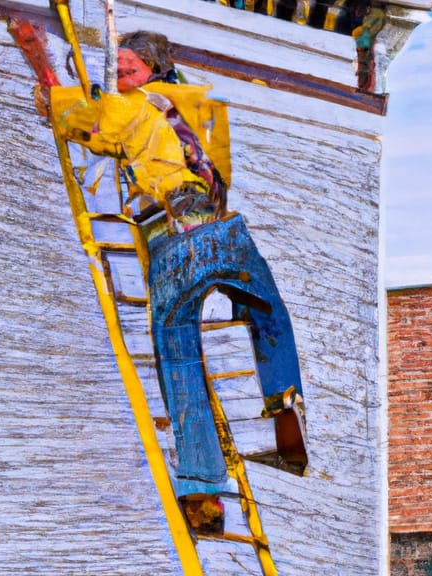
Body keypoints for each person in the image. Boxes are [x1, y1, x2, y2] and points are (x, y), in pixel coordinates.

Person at [54, 31, 307, 536]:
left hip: (174, 236)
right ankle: (284, 401)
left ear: (149, 70)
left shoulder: (134, 105)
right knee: (266, 311)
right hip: (225, 229)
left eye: (127, 67)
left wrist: (59, 91)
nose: (120, 76)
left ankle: (201, 488)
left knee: (178, 354)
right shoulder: (200, 106)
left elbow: (80, 123)